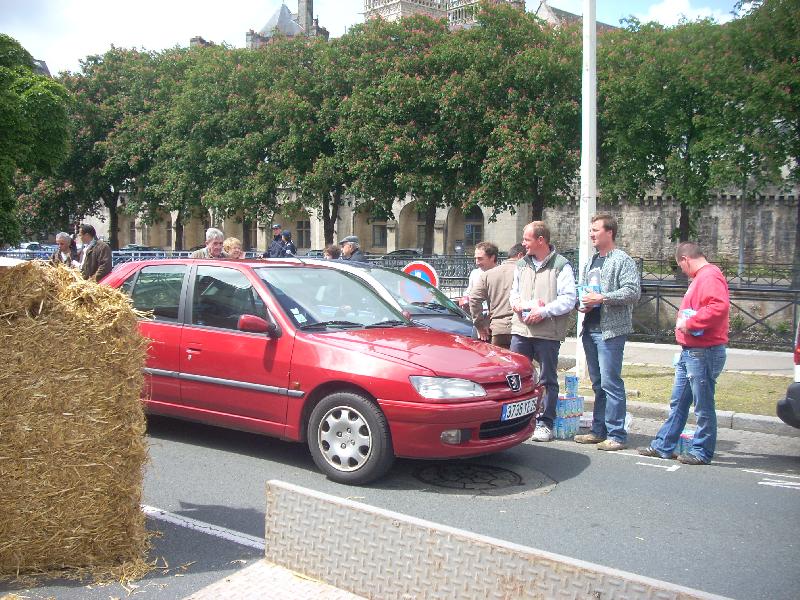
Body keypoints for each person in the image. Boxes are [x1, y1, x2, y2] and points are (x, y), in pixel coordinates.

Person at [638, 242, 729, 465]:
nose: (682, 271)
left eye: (681, 266)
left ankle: (702, 451)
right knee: (679, 402)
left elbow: (719, 306)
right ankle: (663, 445)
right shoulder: (703, 277)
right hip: (692, 351)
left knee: (702, 404)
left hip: (703, 350)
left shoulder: (709, 276)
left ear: (685, 259)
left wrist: (691, 322)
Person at [573, 213, 641, 451]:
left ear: (609, 232)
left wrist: (603, 298)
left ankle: (617, 434)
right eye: (591, 230)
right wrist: (582, 303)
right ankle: (598, 430)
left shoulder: (622, 259)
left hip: (610, 331)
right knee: (598, 383)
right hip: (590, 328)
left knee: (612, 383)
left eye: (595, 230)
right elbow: (584, 290)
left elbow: (633, 291)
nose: (591, 234)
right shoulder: (591, 261)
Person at [508, 222, 577, 442]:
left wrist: (544, 311)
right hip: (521, 330)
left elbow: (569, 299)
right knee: (516, 377)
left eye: (527, 239)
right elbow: (514, 293)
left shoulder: (561, 265)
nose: (523, 243)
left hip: (547, 331)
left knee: (547, 378)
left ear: (541, 240)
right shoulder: (522, 264)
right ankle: (515, 421)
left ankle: (545, 422)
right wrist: (517, 304)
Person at [469, 243, 526, 349]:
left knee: (500, 362)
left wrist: (479, 325)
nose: (477, 262)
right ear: (521, 256)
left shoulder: (487, 275)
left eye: (480, 258)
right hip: (523, 328)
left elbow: (473, 299)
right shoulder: (528, 272)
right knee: (522, 363)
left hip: (499, 329)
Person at [460, 241, 499, 309]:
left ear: (492, 257)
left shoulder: (502, 274)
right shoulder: (474, 273)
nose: (477, 261)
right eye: (476, 258)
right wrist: (465, 299)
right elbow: (469, 292)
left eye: (480, 258)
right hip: (477, 314)